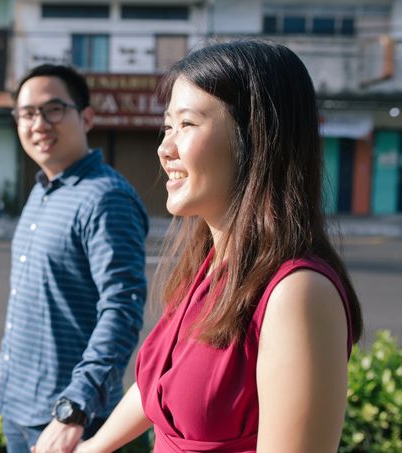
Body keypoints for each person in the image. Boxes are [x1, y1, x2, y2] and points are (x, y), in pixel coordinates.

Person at [77, 39, 364, 452]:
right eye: (167, 127)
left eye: (188, 125)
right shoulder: (209, 265)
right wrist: (92, 447)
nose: (164, 148)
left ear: (257, 138)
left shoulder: (297, 293)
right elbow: (160, 383)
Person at [0, 64, 149, 453]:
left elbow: (122, 309)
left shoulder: (104, 198)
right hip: (18, 408)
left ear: (87, 118)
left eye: (54, 109)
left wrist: (74, 410)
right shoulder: (44, 189)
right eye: (27, 113)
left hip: (70, 423)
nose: (39, 123)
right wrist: (4, 368)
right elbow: (32, 298)